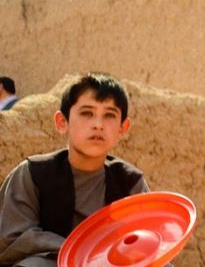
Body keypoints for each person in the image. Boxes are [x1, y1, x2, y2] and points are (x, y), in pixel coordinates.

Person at [0, 73, 149, 266]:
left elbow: (145, 237)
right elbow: (11, 237)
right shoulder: (33, 173)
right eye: (87, 113)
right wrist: (75, 250)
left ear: (122, 127)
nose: (98, 125)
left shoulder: (130, 182)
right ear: (62, 122)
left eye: (109, 115)